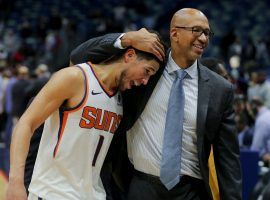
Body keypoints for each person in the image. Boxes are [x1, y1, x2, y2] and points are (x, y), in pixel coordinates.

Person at [70, 8, 242, 200]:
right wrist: (126, 39)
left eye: (207, 33)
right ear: (175, 33)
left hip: (191, 192)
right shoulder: (145, 70)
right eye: (197, 30)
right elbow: (79, 56)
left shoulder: (221, 89)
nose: (203, 38)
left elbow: (228, 161)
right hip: (140, 186)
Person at [6, 46, 163, 200]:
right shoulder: (75, 77)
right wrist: (15, 181)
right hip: (54, 192)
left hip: (93, 193)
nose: (145, 81)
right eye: (147, 71)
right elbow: (26, 124)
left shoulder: (120, 97)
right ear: (129, 55)